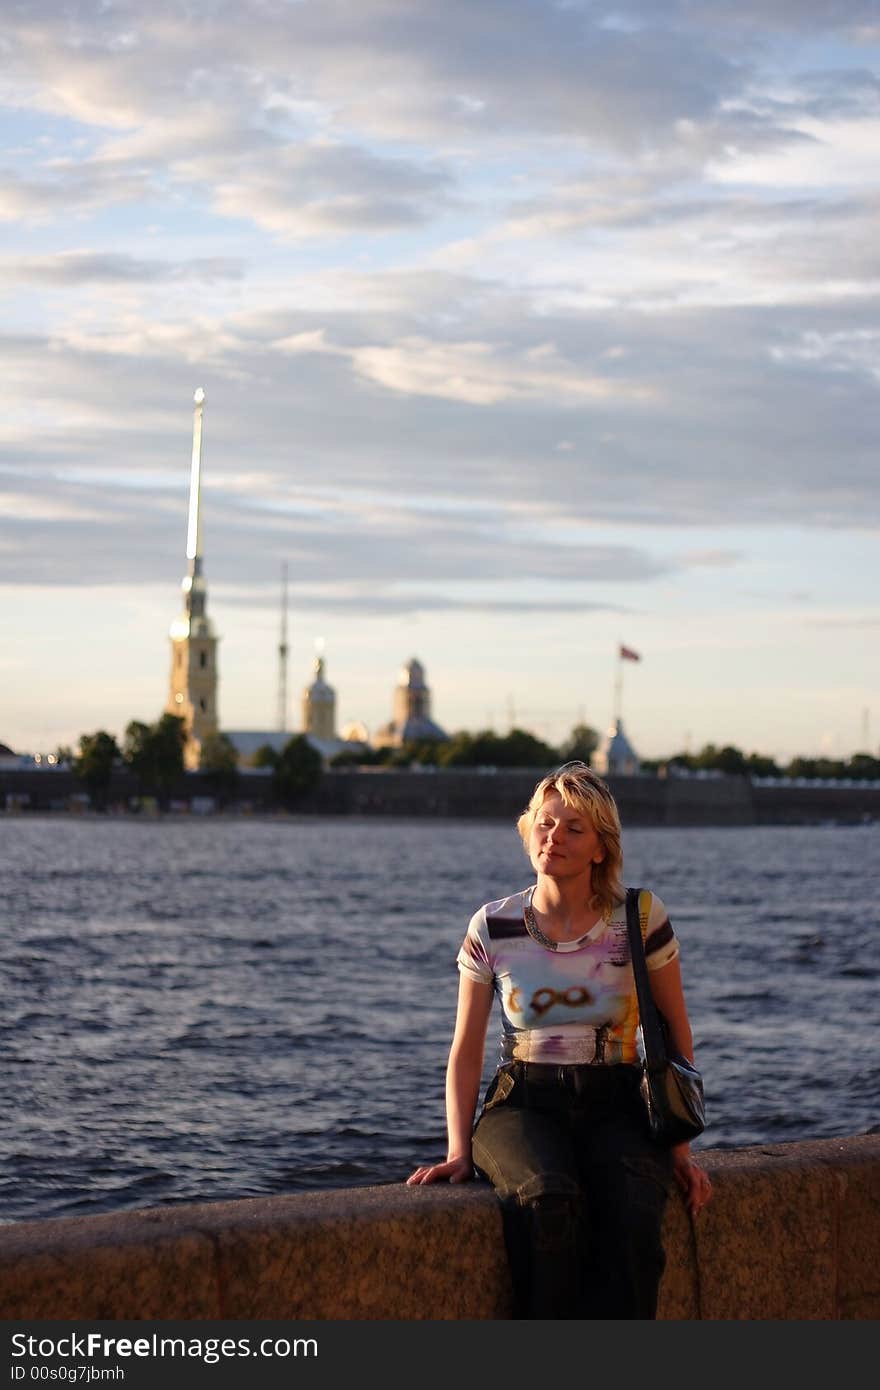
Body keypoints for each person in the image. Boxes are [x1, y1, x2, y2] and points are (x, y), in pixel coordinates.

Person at [407, 760, 712, 1319]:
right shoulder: (491, 926)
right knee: (548, 1201)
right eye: (545, 824)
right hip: (522, 1102)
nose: (555, 838)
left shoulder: (641, 918)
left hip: (617, 1101)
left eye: (575, 828)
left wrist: (679, 1147)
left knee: (635, 1212)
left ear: (601, 848)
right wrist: (457, 1150)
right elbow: (466, 1049)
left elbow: (674, 1033)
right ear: (528, 833)